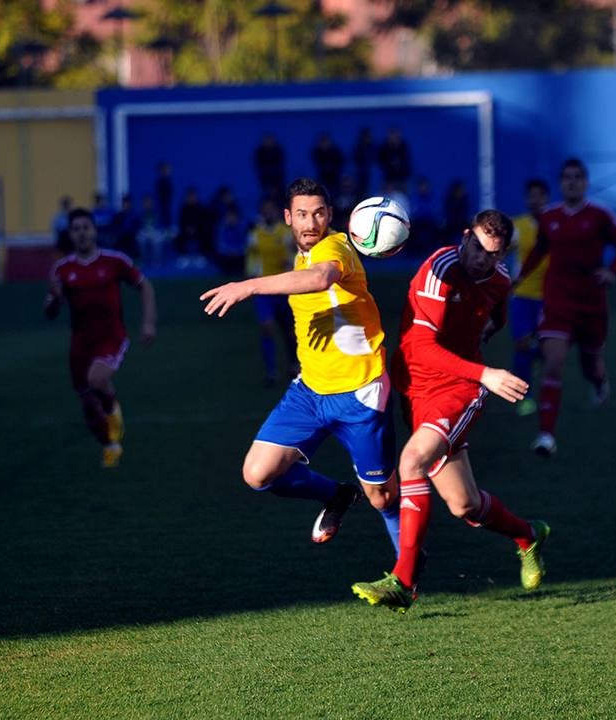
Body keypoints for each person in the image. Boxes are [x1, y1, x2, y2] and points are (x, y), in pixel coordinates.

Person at [351, 210, 550, 613]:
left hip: (457, 389)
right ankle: (529, 536)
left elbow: (497, 312)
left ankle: (403, 581)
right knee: (464, 505)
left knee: (412, 461)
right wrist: (487, 369)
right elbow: (423, 347)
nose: (479, 258)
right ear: (465, 235)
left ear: (501, 255)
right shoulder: (439, 269)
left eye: (491, 254)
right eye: (475, 246)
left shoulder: (499, 280)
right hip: (415, 389)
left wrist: (482, 372)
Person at [199, 177, 402, 552]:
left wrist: (248, 286)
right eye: (304, 215)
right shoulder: (300, 255)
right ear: (289, 218)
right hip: (310, 391)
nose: (312, 223)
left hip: (359, 393)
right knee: (258, 474)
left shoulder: (336, 247)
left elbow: (320, 279)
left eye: (320, 213)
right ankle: (338, 496)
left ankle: (408, 575)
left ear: (331, 216)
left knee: (384, 499)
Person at [515, 158, 616, 458]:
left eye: (578, 177)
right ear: (560, 182)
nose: (572, 182)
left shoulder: (600, 216)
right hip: (558, 301)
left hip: (592, 303)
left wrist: (612, 272)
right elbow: (540, 249)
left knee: (590, 365)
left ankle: (599, 381)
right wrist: (518, 279)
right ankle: (546, 436)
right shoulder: (549, 216)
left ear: (586, 182)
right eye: (567, 177)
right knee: (553, 362)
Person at [44, 208, 157, 468]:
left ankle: (112, 408)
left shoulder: (114, 261)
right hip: (80, 343)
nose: (82, 233)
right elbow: (49, 311)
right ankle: (110, 445)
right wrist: (54, 299)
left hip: (111, 336)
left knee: (97, 379)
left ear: (94, 231)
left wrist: (148, 323)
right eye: (76, 229)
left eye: (86, 227)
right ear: (70, 235)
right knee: (86, 404)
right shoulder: (62, 269)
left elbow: (145, 286)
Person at [508, 177, 551, 417]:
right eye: (530, 196)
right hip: (522, 295)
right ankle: (525, 397)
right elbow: (500, 250)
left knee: (548, 349)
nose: (534, 200)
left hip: (550, 297)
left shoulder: (555, 224)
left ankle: (547, 394)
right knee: (522, 345)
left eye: (539, 195)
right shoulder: (518, 226)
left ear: (546, 198)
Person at [245, 198, 298, 387]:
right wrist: (250, 279)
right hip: (264, 288)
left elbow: (294, 254)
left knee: (290, 331)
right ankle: (271, 371)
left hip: (284, 286)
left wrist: (291, 266)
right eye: (264, 209)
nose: (268, 213)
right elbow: (252, 257)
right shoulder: (255, 234)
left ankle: (293, 365)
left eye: (271, 209)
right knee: (266, 327)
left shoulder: (285, 233)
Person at [376, 126, 412, 195]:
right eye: (392, 135)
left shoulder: (403, 146)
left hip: (402, 178)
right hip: (388, 179)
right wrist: (390, 163)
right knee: (387, 198)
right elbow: (380, 162)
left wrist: (399, 164)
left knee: (403, 197)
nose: (394, 137)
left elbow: (407, 162)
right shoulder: (384, 147)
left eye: (396, 135)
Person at [253, 133, 286, 205]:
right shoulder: (260, 153)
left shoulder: (278, 151)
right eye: (266, 141)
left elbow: (281, 166)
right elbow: (259, 167)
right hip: (265, 179)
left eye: (270, 141)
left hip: (278, 179)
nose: (269, 143)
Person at [311, 132, 345, 199]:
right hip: (322, 175)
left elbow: (341, 161)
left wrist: (333, 167)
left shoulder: (335, 151)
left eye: (326, 142)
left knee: (335, 191)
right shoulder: (317, 152)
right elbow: (317, 162)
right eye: (323, 142)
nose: (324, 144)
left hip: (335, 175)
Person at [441, 179, 471, 247]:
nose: (461, 192)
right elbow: (447, 212)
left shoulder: (464, 200)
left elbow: (466, 213)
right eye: (459, 190)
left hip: (462, 222)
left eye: (462, 190)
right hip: (451, 222)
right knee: (445, 230)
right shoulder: (449, 199)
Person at [352, 127, 376, 196]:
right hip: (360, 177)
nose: (367, 139)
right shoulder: (358, 148)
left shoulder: (374, 148)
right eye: (365, 137)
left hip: (371, 178)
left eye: (368, 137)